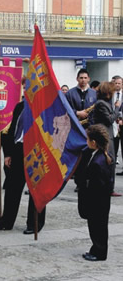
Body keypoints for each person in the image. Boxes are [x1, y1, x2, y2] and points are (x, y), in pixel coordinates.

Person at [0, 80, 46, 234]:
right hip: (18, 150)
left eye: (30, 87)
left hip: (35, 152)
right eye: (25, 87)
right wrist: (7, 153)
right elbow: (11, 131)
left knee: (35, 190)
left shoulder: (43, 107)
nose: (27, 90)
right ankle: (6, 221)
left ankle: (34, 223)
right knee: (12, 188)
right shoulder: (19, 107)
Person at [75, 124, 112, 261]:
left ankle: (100, 252)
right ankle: (96, 249)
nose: (86, 142)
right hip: (99, 201)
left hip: (97, 201)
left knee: (98, 228)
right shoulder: (99, 155)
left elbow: (98, 185)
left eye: (87, 140)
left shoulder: (98, 162)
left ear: (94, 143)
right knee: (96, 227)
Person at [92, 81, 121, 197]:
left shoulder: (105, 103)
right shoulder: (101, 104)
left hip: (108, 134)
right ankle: (108, 188)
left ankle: (110, 187)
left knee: (111, 162)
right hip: (105, 136)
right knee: (109, 161)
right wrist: (117, 109)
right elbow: (109, 119)